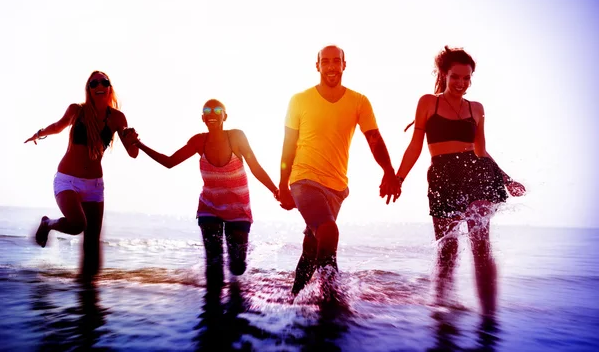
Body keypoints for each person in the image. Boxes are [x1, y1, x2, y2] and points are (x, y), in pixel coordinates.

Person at [395, 46, 526, 319]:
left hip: (476, 173)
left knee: (480, 242)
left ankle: (489, 314)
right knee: (448, 248)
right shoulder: (428, 102)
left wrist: (507, 178)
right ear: (444, 74)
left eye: (467, 79)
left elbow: (481, 151)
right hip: (443, 177)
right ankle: (441, 307)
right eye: (456, 77)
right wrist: (398, 178)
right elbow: (415, 146)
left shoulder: (476, 109)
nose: (461, 84)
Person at [279, 45, 400, 298]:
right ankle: (331, 299)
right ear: (317, 65)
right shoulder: (299, 100)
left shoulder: (359, 101)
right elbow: (289, 145)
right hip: (303, 180)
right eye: (326, 61)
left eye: (337, 61)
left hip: (336, 187)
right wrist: (283, 185)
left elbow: (374, 139)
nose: (331, 66)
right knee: (328, 230)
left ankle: (293, 300)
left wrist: (389, 171)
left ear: (345, 65)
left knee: (312, 248)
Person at [128, 99, 279, 290]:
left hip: (238, 208)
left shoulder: (237, 137)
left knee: (237, 267)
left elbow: (255, 167)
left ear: (225, 116)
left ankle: (232, 302)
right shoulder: (199, 141)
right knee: (214, 263)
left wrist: (275, 190)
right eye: (207, 111)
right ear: (203, 118)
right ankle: (212, 311)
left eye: (217, 110)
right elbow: (169, 161)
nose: (212, 114)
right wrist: (138, 144)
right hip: (210, 208)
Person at [25, 70, 139, 280]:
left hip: (95, 186)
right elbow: (58, 127)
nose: (99, 86)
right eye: (93, 83)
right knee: (78, 224)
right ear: (89, 89)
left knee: (92, 245)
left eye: (104, 82)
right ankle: (48, 223)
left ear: (109, 87)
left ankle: (88, 290)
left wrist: (133, 140)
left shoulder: (117, 118)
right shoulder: (77, 111)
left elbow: (132, 153)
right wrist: (39, 134)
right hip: (67, 180)